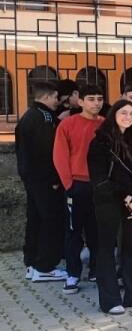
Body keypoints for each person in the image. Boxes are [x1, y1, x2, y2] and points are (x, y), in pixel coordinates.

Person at [87, 100, 132, 315]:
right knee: (107, 249)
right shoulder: (101, 143)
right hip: (110, 202)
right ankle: (109, 300)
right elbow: (100, 179)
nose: (128, 116)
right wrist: (127, 197)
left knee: (131, 249)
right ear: (114, 115)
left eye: (131, 114)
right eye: (123, 112)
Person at [54, 84, 106, 294]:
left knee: (98, 232)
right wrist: (69, 184)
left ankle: (95, 270)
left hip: (101, 186)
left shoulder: (106, 124)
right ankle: (73, 274)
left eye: (100, 98)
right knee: (74, 232)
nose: (96, 103)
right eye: (91, 98)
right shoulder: (67, 124)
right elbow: (60, 155)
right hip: (78, 185)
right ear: (81, 101)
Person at [17, 81, 67, 282]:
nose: (58, 101)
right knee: (52, 221)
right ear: (47, 97)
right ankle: (45, 266)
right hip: (45, 180)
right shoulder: (44, 118)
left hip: (32, 178)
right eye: (56, 97)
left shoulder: (27, 116)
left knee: (35, 220)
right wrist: (55, 178)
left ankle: (32, 263)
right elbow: (49, 151)